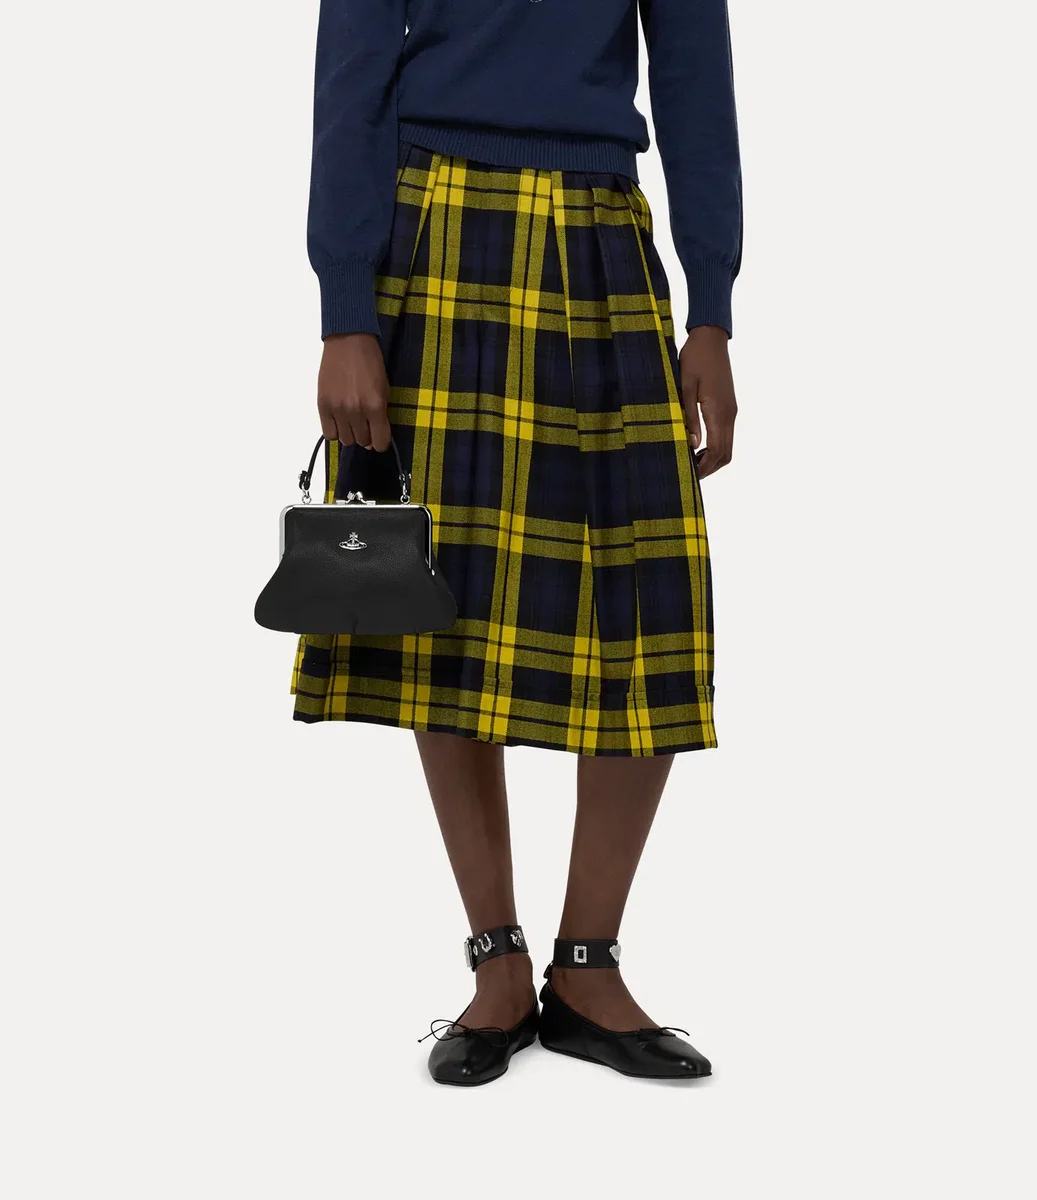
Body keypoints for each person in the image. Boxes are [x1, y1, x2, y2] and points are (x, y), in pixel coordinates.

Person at [293, 0, 741, 1086]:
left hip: (598, 227)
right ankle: (496, 965)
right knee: (438, 602)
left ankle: (587, 970)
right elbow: (351, 72)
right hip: (434, 221)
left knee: (648, 611)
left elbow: (694, 77)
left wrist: (711, 311)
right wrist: (345, 309)